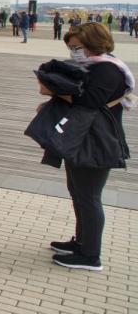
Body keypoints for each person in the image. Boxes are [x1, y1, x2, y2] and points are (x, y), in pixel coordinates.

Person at [41, 24, 131, 271]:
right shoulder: (95, 66)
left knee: (89, 197)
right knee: (78, 192)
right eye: (70, 47)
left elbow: (90, 101)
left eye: (77, 47)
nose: (73, 52)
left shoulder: (107, 69)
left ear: (93, 42)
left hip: (98, 142)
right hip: (83, 139)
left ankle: (90, 255)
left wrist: (57, 92)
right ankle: (81, 242)